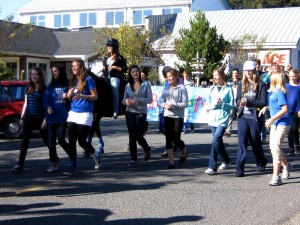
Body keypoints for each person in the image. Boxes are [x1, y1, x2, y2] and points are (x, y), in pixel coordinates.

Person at [64, 59, 99, 175]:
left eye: (75, 66)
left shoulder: (88, 79)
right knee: (72, 141)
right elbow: (70, 97)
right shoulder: (72, 80)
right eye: (72, 66)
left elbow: (95, 96)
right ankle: (72, 167)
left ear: (81, 67)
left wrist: (82, 96)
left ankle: (95, 154)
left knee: (82, 141)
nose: (73, 68)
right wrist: (68, 96)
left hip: (85, 113)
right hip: (73, 113)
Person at [11, 67, 48, 173]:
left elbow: (46, 105)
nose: (34, 76)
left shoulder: (44, 89)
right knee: (24, 142)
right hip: (29, 118)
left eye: (36, 74)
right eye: (32, 75)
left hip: (40, 118)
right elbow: (26, 104)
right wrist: (22, 117)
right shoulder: (28, 88)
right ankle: (20, 164)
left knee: (47, 141)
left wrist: (45, 120)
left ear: (40, 76)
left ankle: (54, 161)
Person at [259, 71, 292, 186]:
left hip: (283, 123)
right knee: (273, 149)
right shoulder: (272, 92)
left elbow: (284, 109)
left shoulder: (280, 92)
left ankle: (276, 177)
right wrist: (266, 108)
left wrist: (271, 119)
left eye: (271, 78)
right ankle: (286, 165)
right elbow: (275, 106)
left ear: (276, 80)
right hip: (275, 123)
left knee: (276, 148)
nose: (269, 79)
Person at [235, 60, 268, 177]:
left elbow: (263, 102)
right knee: (242, 143)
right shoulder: (240, 84)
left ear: (254, 70)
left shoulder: (261, 84)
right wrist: (241, 102)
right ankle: (239, 169)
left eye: (250, 70)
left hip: (255, 117)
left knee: (255, 142)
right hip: (243, 117)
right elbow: (237, 100)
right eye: (246, 70)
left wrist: (248, 101)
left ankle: (261, 162)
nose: (248, 72)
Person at [204, 68, 234, 175]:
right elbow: (207, 104)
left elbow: (232, 105)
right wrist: (214, 105)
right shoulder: (212, 88)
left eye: (217, 75)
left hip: (223, 119)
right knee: (218, 142)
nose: (215, 77)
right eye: (214, 75)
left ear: (222, 76)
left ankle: (212, 167)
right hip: (213, 118)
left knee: (216, 140)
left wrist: (222, 104)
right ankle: (227, 160)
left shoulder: (228, 89)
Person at [122, 65, 152, 167]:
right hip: (129, 112)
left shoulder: (146, 84)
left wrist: (138, 100)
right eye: (133, 72)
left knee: (139, 135)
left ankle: (147, 149)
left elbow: (149, 99)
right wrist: (126, 101)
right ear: (130, 74)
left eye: (136, 71)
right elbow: (123, 100)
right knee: (132, 136)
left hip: (141, 113)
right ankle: (133, 158)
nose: (135, 73)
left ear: (139, 73)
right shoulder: (127, 85)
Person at [159, 68, 188, 169]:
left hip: (178, 116)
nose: (169, 78)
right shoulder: (166, 89)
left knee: (176, 139)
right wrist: (164, 105)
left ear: (176, 76)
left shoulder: (182, 88)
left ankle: (184, 151)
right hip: (167, 115)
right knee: (168, 139)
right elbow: (160, 101)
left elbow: (185, 104)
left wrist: (173, 104)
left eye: (170, 76)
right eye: (167, 77)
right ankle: (171, 162)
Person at [43, 64, 70, 173]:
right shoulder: (50, 86)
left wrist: (67, 97)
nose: (53, 73)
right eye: (53, 71)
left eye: (55, 71)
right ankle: (54, 164)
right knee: (50, 143)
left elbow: (72, 100)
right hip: (51, 118)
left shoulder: (67, 85)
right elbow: (45, 101)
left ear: (61, 72)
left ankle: (72, 157)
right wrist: (48, 107)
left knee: (62, 140)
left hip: (62, 118)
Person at [102, 38, 127, 120]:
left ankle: (116, 110)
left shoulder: (120, 58)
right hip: (106, 76)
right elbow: (104, 67)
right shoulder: (105, 58)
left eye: (110, 46)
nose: (108, 47)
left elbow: (124, 69)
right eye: (108, 46)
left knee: (114, 89)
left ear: (115, 47)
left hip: (115, 77)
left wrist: (114, 67)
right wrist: (103, 69)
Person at [285, 69, 300, 156]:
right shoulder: (286, 86)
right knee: (289, 130)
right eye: (291, 76)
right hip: (288, 110)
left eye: (294, 76)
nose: (293, 78)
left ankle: (297, 144)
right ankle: (291, 148)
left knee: (294, 128)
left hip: (296, 111)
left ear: (297, 76)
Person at [224, 68, 240, 137]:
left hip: (239, 100)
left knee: (240, 116)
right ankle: (228, 130)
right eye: (234, 73)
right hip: (231, 101)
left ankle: (241, 130)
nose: (235, 75)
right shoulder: (229, 82)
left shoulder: (241, 82)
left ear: (239, 74)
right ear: (232, 75)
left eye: (236, 73)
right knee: (230, 115)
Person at [182, 70, 195, 134]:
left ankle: (192, 125)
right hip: (184, 99)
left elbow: (195, 90)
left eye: (186, 76)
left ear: (188, 76)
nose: (185, 77)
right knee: (185, 114)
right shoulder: (182, 82)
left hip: (191, 100)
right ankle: (185, 128)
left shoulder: (191, 82)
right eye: (184, 76)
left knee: (190, 114)